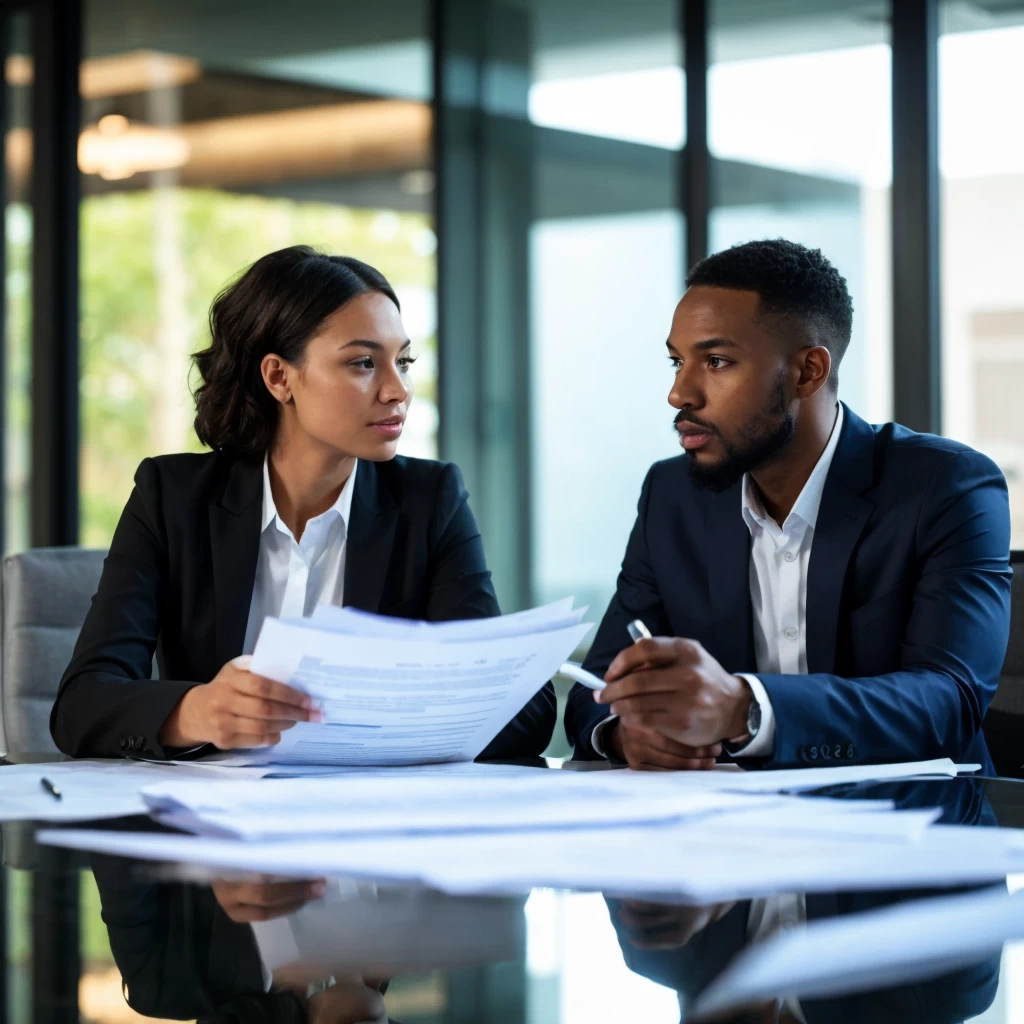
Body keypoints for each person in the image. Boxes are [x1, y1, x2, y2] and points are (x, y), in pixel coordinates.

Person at [51, 245, 554, 760]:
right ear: (278, 377)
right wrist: (197, 711)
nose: (397, 390)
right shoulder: (172, 496)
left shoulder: (430, 500)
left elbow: (523, 716)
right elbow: (81, 706)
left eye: (402, 361)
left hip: (367, 821)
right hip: (212, 819)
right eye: (363, 363)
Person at [565, 239, 1011, 772]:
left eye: (716, 361)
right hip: (733, 833)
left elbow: (949, 701)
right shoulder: (672, 495)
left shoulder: (945, 486)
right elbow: (596, 689)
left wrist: (747, 709)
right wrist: (625, 735)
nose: (680, 392)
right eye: (677, 361)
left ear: (808, 372)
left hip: (917, 826)